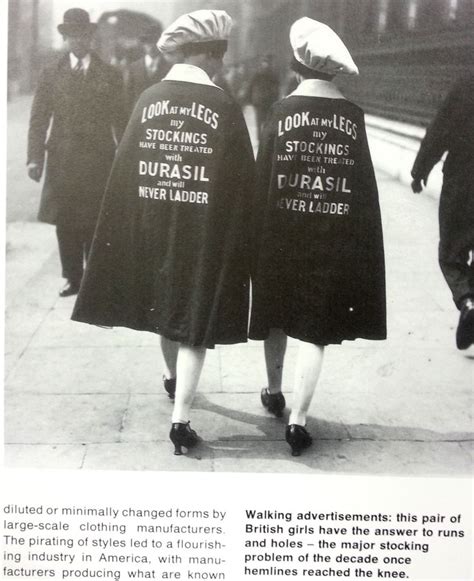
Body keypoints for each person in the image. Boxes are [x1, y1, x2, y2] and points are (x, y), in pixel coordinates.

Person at [71, 10, 255, 455]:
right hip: (203, 228)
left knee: (164, 302)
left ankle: (171, 380)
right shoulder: (223, 104)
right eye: (220, 55)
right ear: (208, 55)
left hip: (154, 225)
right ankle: (181, 419)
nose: (222, 65)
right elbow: (244, 179)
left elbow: (126, 171)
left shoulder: (149, 98)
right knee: (195, 319)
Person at [249, 18, 386, 456]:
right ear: (333, 72)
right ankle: (299, 420)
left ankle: (273, 391)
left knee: (275, 312)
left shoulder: (281, 112)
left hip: (280, 234)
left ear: (295, 68)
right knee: (315, 328)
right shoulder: (352, 116)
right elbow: (363, 186)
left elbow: (262, 176)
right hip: (331, 236)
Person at [27, 8, 127, 298]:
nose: (78, 40)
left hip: (99, 159)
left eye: (83, 35)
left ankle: (94, 277)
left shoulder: (109, 74)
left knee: (96, 220)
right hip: (63, 160)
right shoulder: (51, 74)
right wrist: (35, 158)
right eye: (72, 35)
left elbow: (121, 120)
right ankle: (72, 277)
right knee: (66, 220)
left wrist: (125, 157)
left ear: (91, 37)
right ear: (66, 38)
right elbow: (38, 120)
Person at [411, 76, 474, 350]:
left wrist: (420, 170)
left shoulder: (465, 86)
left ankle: (467, 301)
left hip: (462, 182)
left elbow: (440, 131)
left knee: (450, 252)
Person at [123, 23, 170, 115]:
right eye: (148, 42)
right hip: (137, 117)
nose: (151, 46)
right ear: (143, 44)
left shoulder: (169, 69)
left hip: (158, 118)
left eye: (155, 41)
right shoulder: (133, 68)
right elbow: (128, 98)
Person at [248, 55, 280, 141]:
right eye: (264, 62)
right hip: (263, 101)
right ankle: (263, 139)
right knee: (264, 121)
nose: (265, 64)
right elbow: (251, 87)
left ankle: (262, 139)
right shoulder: (270, 74)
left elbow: (250, 87)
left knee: (262, 121)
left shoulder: (260, 74)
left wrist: (251, 99)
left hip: (262, 101)